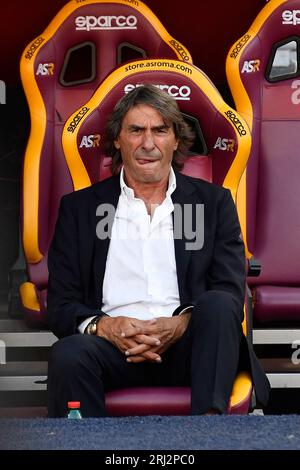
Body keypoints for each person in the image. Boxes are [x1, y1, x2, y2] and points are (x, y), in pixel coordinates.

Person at [47, 84, 269, 417]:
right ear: (118, 140)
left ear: (176, 140)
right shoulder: (80, 209)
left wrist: (180, 324)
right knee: (68, 354)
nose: (148, 144)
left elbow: (228, 288)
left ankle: (210, 434)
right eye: (136, 130)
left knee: (221, 304)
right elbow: (62, 305)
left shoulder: (212, 203)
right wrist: (105, 327)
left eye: (160, 131)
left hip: (191, 348)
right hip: (112, 349)